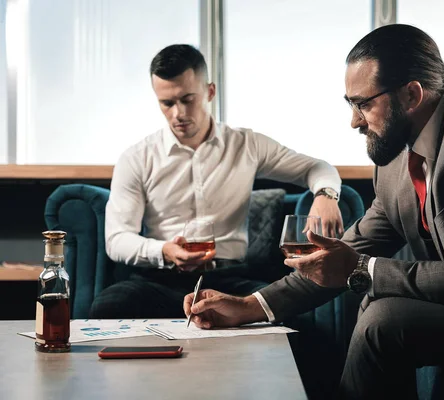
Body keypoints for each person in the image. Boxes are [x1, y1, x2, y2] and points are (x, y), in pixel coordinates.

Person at [184, 24, 444, 399]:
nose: (354, 121)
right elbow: (340, 253)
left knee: (383, 320)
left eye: (363, 104)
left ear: (412, 94)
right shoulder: (395, 159)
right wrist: (249, 306)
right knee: (376, 302)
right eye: (350, 104)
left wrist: (361, 269)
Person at [89, 44, 344, 319]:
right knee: (109, 306)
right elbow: (116, 239)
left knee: (295, 316)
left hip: (232, 279)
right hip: (158, 281)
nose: (178, 113)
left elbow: (317, 167)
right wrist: (163, 250)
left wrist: (326, 195)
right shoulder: (136, 158)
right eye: (167, 103)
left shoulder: (247, 145)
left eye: (187, 99)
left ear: (210, 91)